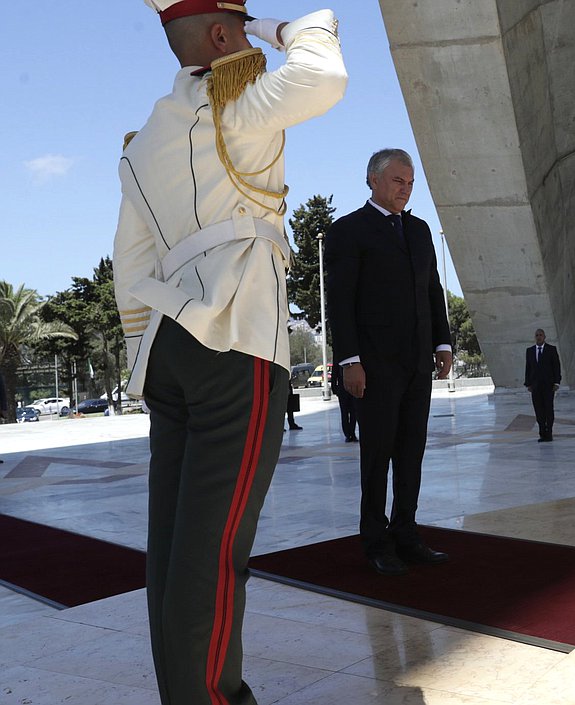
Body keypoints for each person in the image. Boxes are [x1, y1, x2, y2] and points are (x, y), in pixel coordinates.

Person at [111, 2, 346, 703]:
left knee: (175, 550)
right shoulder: (238, 105)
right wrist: (281, 28)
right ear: (220, 36)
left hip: (169, 346)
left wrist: (142, 358)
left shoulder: (144, 138)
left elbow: (130, 258)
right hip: (235, 340)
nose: (251, 40)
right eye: (240, 29)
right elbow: (325, 70)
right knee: (215, 556)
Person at [325, 148, 453, 577]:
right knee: (377, 456)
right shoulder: (348, 231)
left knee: (411, 454)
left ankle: (407, 534)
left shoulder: (419, 231)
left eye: (410, 182)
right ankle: (375, 541)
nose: (406, 188)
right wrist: (349, 361)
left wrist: (443, 343)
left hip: (418, 364)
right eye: (398, 180)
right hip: (374, 367)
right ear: (373, 180)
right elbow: (340, 304)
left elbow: (432, 290)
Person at [524, 328, 562, 442]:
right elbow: (528, 368)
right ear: (534, 337)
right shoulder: (529, 351)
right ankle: (542, 433)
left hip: (549, 386)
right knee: (538, 410)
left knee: (548, 409)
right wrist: (528, 383)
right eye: (537, 335)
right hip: (535, 386)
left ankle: (549, 433)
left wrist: (557, 382)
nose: (539, 337)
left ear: (544, 337)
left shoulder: (551, 349)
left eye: (541, 335)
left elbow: (556, 367)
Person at [329, 362, 358, 442]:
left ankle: (352, 433)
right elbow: (334, 375)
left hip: (352, 391)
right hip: (342, 391)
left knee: (353, 413)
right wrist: (335, 390)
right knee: (344, 413)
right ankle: (348, 435)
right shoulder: (339, 361)